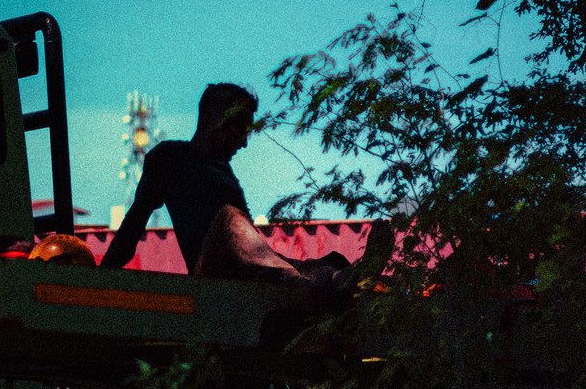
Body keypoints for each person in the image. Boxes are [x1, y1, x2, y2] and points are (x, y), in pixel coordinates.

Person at [100, 82, 389, 292]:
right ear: (215, 121)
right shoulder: (170, 158)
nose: (244, 142)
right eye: (240, 129)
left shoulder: (224, 171)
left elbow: (253, 252)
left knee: (331, 261)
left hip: (247, 272)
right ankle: (312, 283)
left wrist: (309, 264)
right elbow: (133, 226)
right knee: (229, 218)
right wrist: (94, 283)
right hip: (212, 278)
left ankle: (340, 278)